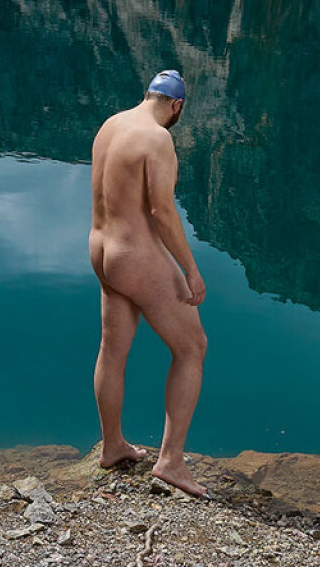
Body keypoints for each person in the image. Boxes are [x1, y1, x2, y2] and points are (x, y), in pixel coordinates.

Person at [88, 68, 209, 497]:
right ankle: (171, 461)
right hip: (135, 256)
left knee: (113, 348)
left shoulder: (112, 124)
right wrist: (191, 271)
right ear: (176, 106)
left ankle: (113, 445)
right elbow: (161, 211)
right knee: (192, 347)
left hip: (101, 250)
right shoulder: (158, 139)